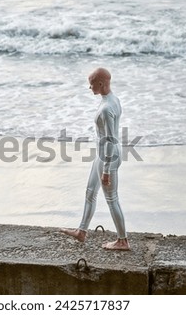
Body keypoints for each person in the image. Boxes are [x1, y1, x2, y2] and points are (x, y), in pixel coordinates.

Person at [61, 67, 130, 250]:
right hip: (103, 155)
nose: (89, 87)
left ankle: (122, 241)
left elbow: (109, 139)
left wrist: (106, 170)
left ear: (101, 83)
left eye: (91, 84)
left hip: (109, 156)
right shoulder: (112, 99)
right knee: (90, 191)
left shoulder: (107, 108)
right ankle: (81, 231)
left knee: (112, 198)